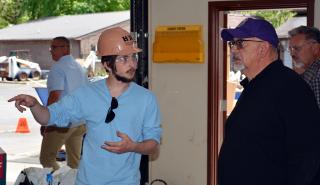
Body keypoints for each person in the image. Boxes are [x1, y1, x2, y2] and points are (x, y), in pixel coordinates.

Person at [8, 27, 162, 185]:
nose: (133, 65)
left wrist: (133, 146)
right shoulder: (87, 94)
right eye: (124, 59)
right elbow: (47, 117)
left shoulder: (146, 99)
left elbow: (153, 145)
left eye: (133, 57)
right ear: (107, 64)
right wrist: (34, 104)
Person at [218, 17, 320, 185]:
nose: (234, 50)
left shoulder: (289, 87)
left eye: (240, 43)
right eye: (232, 44)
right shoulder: (254, 86)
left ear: (263, 48)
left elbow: (307, 157)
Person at [40, 36, 87, 170]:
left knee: (47, 159)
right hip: (80, 122)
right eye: (51, 48)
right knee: (75, 162)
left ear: (66, 48)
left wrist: (46, 121)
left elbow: (55, 96)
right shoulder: (80, 68)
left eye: (54, 47)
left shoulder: (58, 68)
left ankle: (59, 181)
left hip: (62, 121)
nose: (51, 51)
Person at [288, 26, 320, 108]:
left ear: (315, 48)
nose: (292, 54)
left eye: (296, 48)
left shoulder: (317, 75)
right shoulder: (304, 73)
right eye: (290, 49)